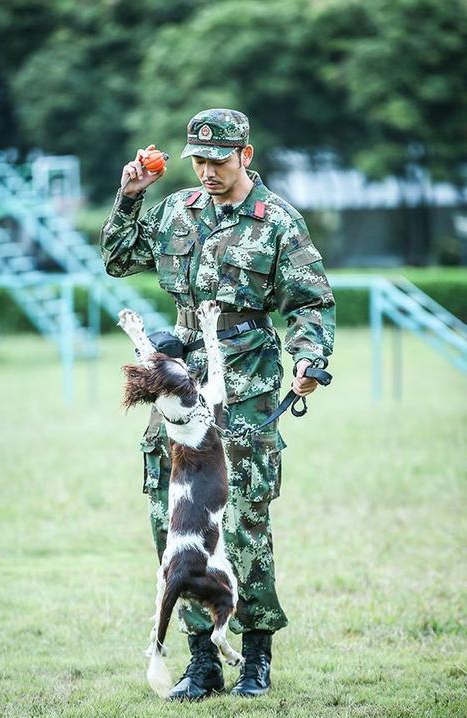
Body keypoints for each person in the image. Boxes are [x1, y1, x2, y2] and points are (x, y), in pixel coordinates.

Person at [100, 108, 335, 700]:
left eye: (218, 160)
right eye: (198, 160)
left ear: (245, 156)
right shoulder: (177, 210)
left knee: (245, 523)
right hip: (178, 388)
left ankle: (255, 657)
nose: (206, 170)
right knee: (174, 521)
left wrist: (309, 358)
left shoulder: (277, 221)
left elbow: (310, 302)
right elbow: (118, 259)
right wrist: (129, 197)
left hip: (246, 389)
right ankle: (201, 660)